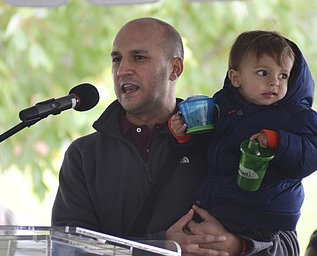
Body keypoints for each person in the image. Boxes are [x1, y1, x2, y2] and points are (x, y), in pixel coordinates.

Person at [51, 19, 301, 256]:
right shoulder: (84, 155)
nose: (122, 70)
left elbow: (288, 245)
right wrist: (160, 247)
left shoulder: (225, 140)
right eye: (117, 60)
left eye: (138, 57)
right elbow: (67, 249)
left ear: (175, 68)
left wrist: (237, 246)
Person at [169, 30, 317, 254]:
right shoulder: (224, 109)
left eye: (283, 75)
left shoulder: (297, 116)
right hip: (222, 206)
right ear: (235, 78)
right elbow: (209, 149)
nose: (274, 82)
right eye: (263, 73)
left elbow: (310, 156)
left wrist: (279, 141)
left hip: (264, 216)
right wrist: (185, 136)